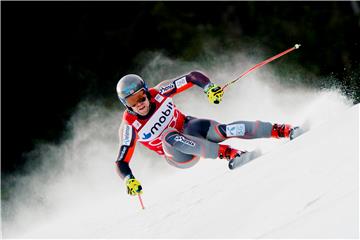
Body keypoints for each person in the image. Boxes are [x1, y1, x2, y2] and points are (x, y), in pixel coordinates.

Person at [115, 71, 300, 196]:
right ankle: (228, 153)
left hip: (191, 129)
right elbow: (121, 161)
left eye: (140, 96)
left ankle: (281, 130)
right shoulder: (129, 127)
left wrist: (209, 88)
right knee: (169, 135)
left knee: (225, 130)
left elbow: (191, 77)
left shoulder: (160, 92)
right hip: (179, 154)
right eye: (131, 101)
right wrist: (128, 180)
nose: (139, 103)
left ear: (146, 92)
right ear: (126, 105)